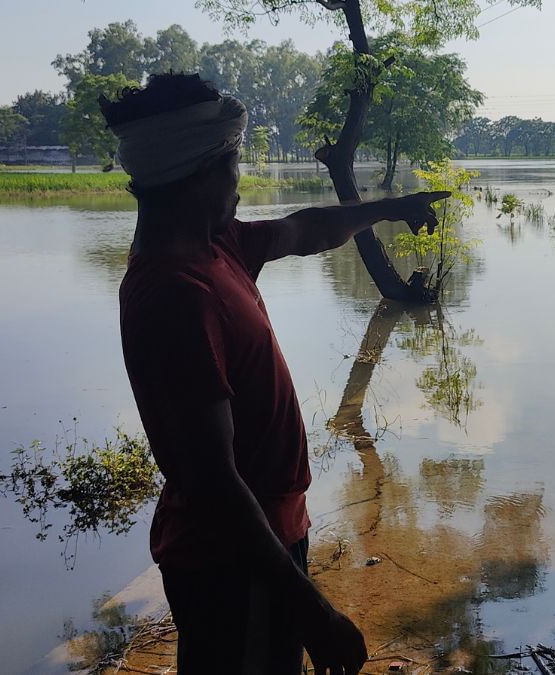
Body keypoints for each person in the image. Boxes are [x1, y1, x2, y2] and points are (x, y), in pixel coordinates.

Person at [102, 73, 447, 674]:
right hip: (232, 563)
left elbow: (305, 230)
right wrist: (314, 611)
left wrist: (391, 208)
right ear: (204, 170)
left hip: (262, 544)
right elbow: (211, 484)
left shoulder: (216, 246)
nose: (241, 180)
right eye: (235, 163)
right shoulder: (176, 293)